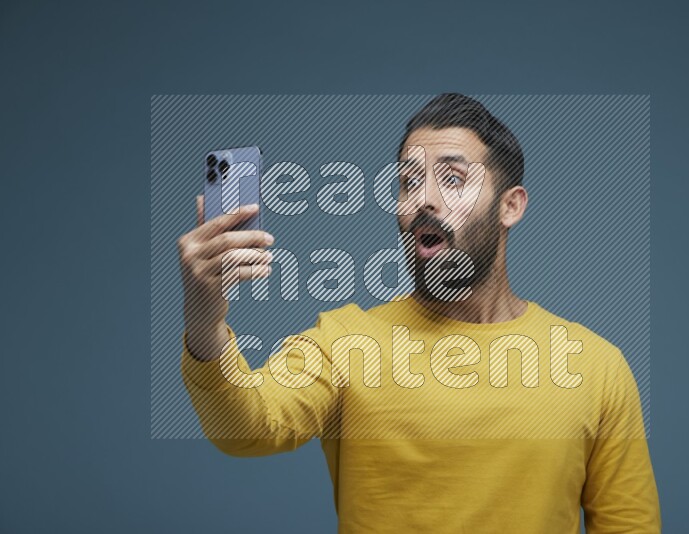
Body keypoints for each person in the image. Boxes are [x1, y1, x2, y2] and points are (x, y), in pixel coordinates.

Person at [176, 93, 661, 533]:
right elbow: (246, 427)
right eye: (408, 182)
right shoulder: (344, 342)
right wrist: (204, 319)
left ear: (509, 206)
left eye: (452, 179)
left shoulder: (597, 367)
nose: (423, 199)